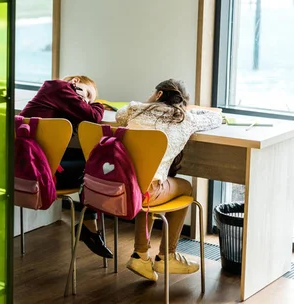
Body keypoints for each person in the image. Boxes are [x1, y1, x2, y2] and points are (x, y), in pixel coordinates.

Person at [115, 79, 222, 281]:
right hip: (146, 192)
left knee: (143, 180)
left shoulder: (133, 109)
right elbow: (214, 120)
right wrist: (194, 112)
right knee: (185, 187)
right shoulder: (186, 120)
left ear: (159, 95)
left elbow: (120, 117)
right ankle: (167, 255)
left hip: (122, 186)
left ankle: (141, 255)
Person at [20, 75, 113, 258]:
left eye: (88, 100)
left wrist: (87, 102)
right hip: (35, 169)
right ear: (76, 81)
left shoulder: (56, 98)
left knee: (91, 160)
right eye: (86, 94)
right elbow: (92, 116)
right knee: (94, 168)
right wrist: (98, 105)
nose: (85, 101)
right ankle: (89, 227)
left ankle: (89, 226)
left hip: (32, 165)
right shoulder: (57, 86)